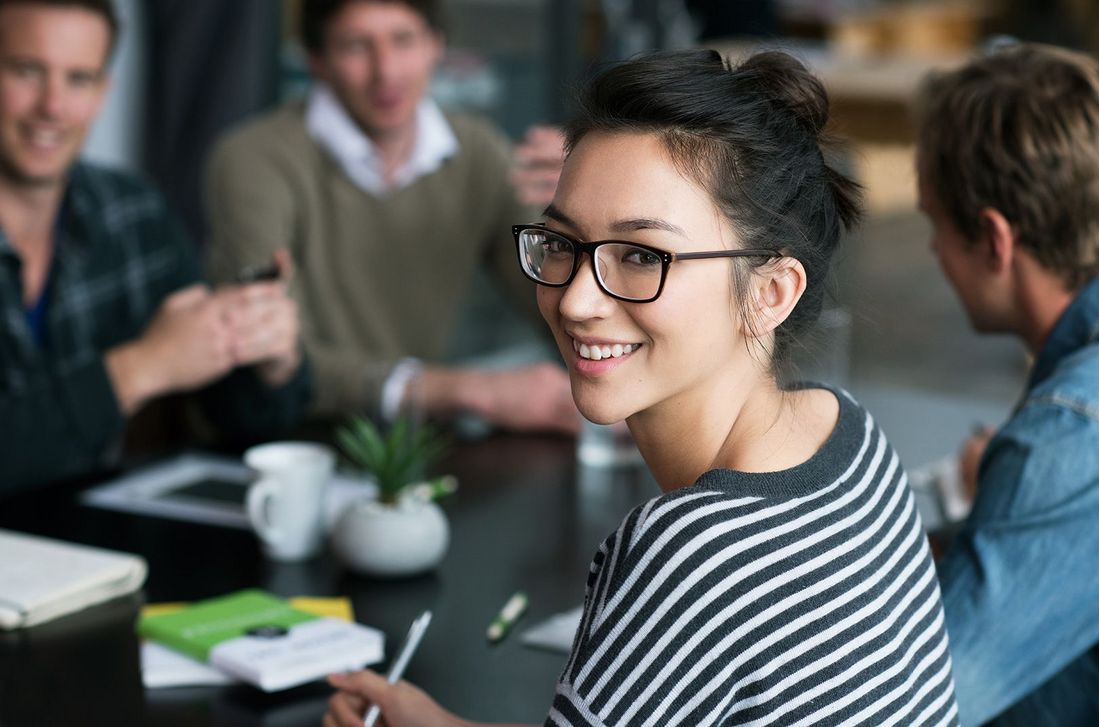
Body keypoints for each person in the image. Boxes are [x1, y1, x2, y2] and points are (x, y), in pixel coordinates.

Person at [323, 49, 960, 726]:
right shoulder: (846, 434)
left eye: (640, 256)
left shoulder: (692, 551)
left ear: (771, 292)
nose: (574, 301)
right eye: (562, 243)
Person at [205, 0, 577, 434]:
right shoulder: (255, 159)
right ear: (317, 61)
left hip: (411, 446)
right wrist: (471, 390)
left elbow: (556, 306)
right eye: (356, 46)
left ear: (435, 45)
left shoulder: (478, 152)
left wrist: (579, 216)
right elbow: (273, 352)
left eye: (403, 40)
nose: (386, 72)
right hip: (286, 442)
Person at [915, 43, 1099, 725]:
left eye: (934, 225)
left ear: (993, 239)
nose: (930, 252)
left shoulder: (1075, 433)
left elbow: (922, 702)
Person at [0, 0, 310, 494]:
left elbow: (239, 423)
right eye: (26, 71)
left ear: (103, 92)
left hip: (93, 548)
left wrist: (266, 360)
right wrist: (140, 368)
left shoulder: (133, 212)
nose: (52, 107)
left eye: (79, 79)